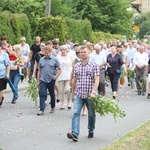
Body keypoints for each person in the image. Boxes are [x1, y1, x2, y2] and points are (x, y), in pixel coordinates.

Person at [67, 45, 100, 142]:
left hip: (90, 94)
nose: (82, 54)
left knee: (91, 114)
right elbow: (75, 80)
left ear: (89, 52)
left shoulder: (94, 65)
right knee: (76, 113)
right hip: (79, 93)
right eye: (80, 52)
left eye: (84, 52)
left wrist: (93, 92)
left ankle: (91, 130)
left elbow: (96, 80)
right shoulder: (77, 66)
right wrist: (73, 93)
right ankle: (75, 134)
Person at [37, 46, 62, 115]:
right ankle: (41, 109)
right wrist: (38, 80)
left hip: (51, 79)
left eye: (47, 53)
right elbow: (39, 70)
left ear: (51, 52)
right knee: (42, 93)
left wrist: (55, 77)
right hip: (43, 79)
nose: (46, 54)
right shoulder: (41, 60)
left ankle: (53, 106)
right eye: (45, 53)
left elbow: (60, 69)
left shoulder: (55, 59)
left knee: (52, 94)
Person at [57, 45, 74, 109]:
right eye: (61, 50)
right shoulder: (58, 57)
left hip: (68, 75)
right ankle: (62, 103)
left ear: (66, 50)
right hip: (60, 75)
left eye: (64, 50)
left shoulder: (70, 56)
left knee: (67, 89)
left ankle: (69, 102)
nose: (62, 51)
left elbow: (73, 66)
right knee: (61, 90)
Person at [0, 42, 10, 107]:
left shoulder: (5, 55)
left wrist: (7, 74)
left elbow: (8, 65)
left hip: (2, 75)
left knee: (0, 89)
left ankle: (0, 102)